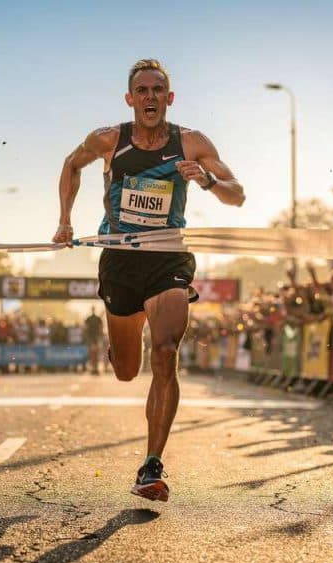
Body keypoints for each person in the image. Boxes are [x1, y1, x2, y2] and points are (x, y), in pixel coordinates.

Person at [52, 59, 245, 501]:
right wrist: (64, 220)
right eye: (142, 90)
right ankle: (122, 344)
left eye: (159, 89)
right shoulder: (109, 140)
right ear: (130, 99)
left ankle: (151, 464)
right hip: (120, 259)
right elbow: (70, 164)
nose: (151, 97)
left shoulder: (191, 143)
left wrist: (209, 180)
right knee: (126, 371)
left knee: (165, 352)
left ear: (169, 98)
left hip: (168, 257)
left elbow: (238, 193)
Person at [83, 307, 105, 375]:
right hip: (95, 337)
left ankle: (94, 368)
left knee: (93, 354)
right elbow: (101, 327)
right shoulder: (97, 318)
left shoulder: (89, 318)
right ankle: (95, 368)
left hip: (92, 338)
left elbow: (86, 328)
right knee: (95, 354)